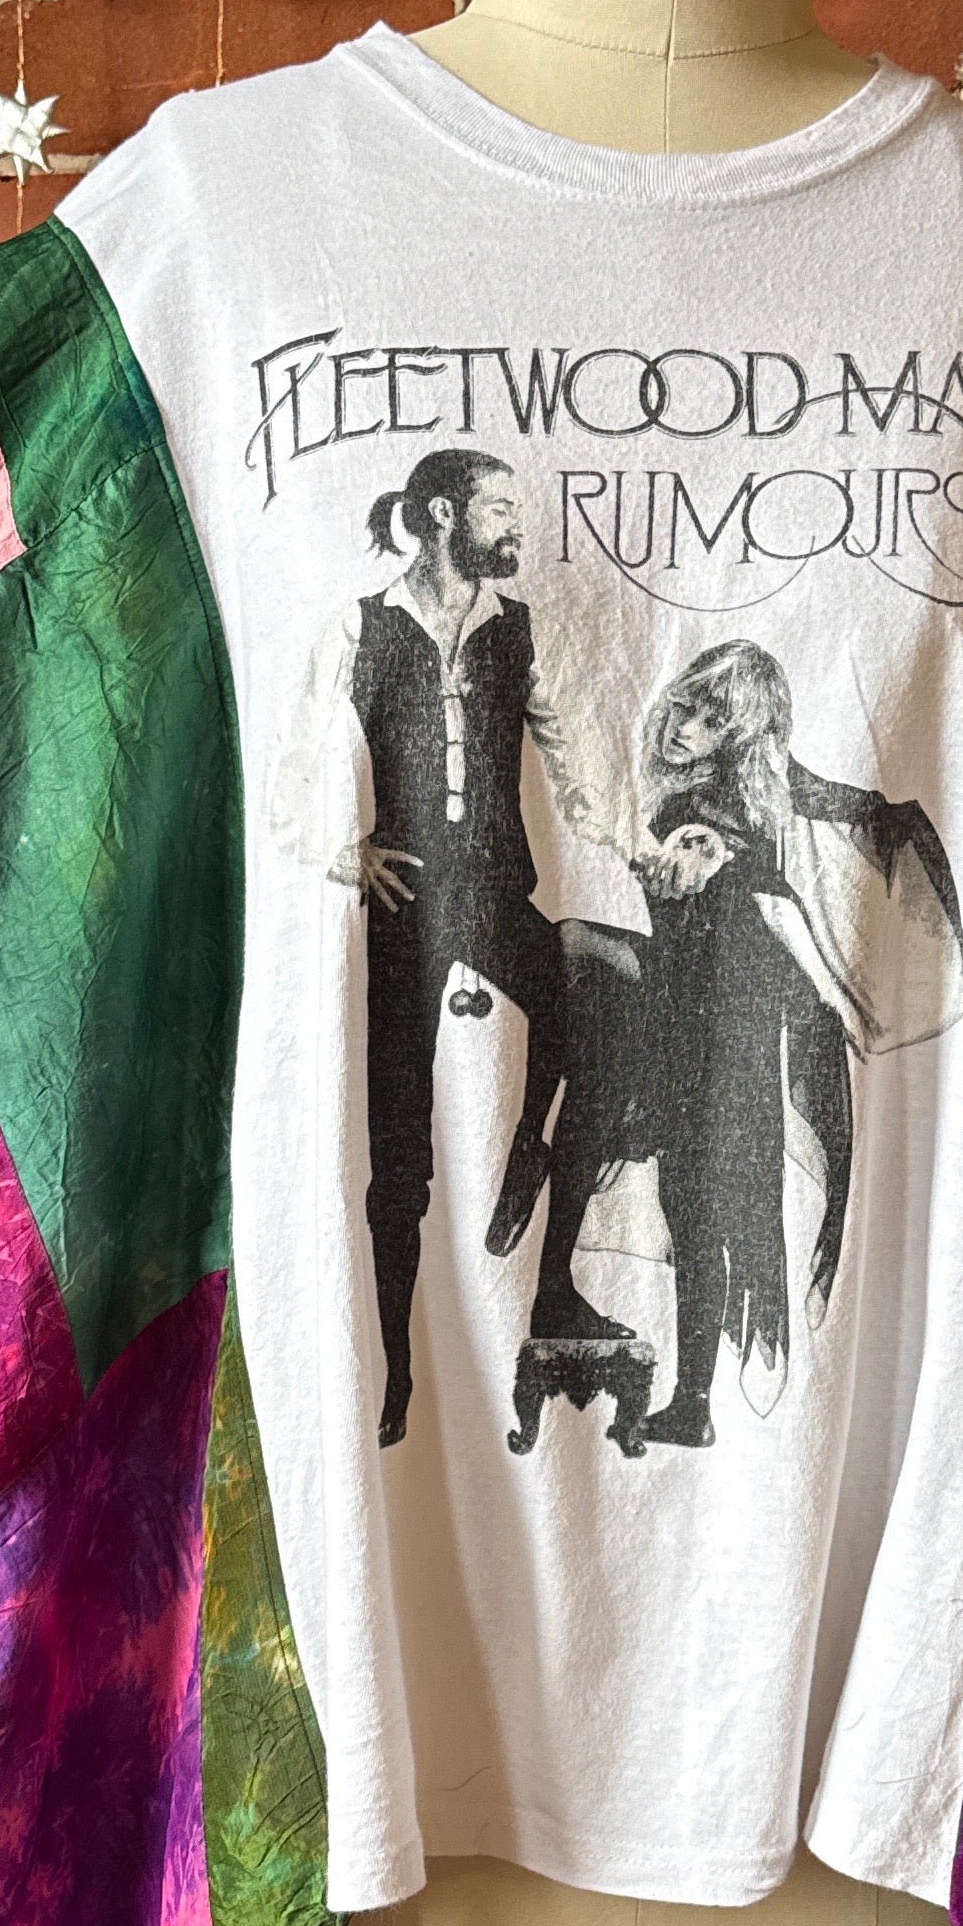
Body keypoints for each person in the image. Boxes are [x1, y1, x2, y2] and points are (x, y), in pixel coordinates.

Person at [499, 640, 963, 1448]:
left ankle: (690, 1398)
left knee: (696, 1208)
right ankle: (543, 1194)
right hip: (679, 1018)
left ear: (742, 735)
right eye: (687, 703)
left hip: (726, 1040)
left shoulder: (718, 812)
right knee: (592, 1020)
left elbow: (712, 849)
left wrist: (695, 853)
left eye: (711, 719)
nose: (684, 724)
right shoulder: (711, 793)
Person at [273, 448, 608, 1444]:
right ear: (441, 517)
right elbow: (293, 761)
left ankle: (529, 1153)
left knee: (589, 1009)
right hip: (409, 906)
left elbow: (578, 764)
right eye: (499, 508)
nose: (516, 526)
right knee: (398, 1151)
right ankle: (399, 1375)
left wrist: (627, 841)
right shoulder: (362, 626)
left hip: (498, 895)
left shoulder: (519, 631)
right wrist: (339, 851)